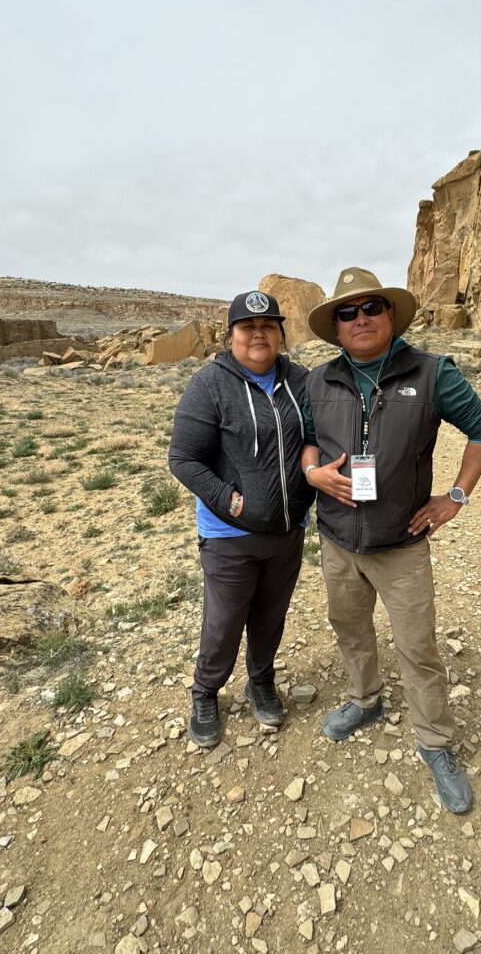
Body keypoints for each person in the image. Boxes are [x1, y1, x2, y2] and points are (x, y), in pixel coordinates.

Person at [301, 267, 481, 814]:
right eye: (347, 312)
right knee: (351, 629)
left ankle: (435, 742)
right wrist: (313, 472)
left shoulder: (433, 373)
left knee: (417, 647)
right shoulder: (318, 381)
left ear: (390, 316)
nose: (360, 319)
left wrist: (455, 497)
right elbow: (309, 442)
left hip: (402, 544)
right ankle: (364, 700)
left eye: (371, 308)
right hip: (339, 540)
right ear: (336, 327)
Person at [169, 291, 314, 747]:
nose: (258, 334)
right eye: (248, 327)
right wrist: (231, 502)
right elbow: (184, 459)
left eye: (268, 326)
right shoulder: (210, 384)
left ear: (280, 335)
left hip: (287, 530)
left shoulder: (300, 380)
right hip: (229, 534)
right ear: (231, 335)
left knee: (271, 616)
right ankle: (206, 690)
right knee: (224, 621)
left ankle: (261, 680)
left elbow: (317, 435)